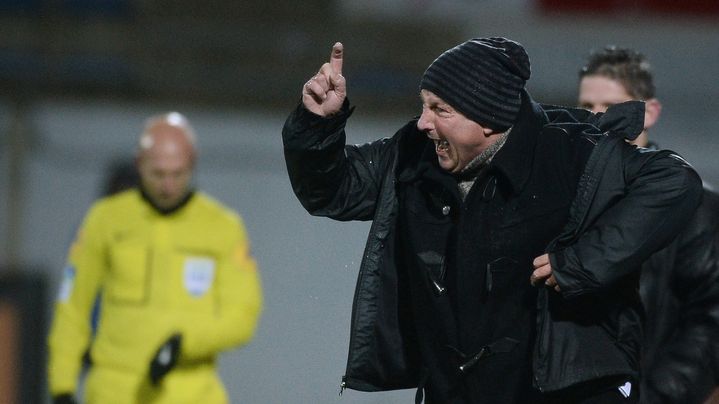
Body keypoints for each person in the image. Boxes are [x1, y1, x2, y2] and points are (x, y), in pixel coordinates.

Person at [282, 38, 703, 403]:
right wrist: (317, 125)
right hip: (456, 390)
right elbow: (332, 191)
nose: (423, 122)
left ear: (487, 119)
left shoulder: (570, 150)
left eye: (439, 109)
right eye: (423, 105)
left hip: (564, 392)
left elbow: (675, 180)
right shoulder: (413, 152)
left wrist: (584, 262)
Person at [48, 112, 263, 404]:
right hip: (114, 391)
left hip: (193, 392)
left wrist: (184, 343)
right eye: (158, 174)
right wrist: (62, 386)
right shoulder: (106, 219)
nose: (168, 186)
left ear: (193, 163)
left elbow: (243, 316)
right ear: (139, 164)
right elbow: (72, 307)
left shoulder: (223, 227)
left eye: (178, 174)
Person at [578, 46, 719, 404]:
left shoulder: (697, 206)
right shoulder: (567, 196)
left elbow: (711, 317)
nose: (595, 118)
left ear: (650, 111)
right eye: (586, 107)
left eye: (610, 106)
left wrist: (655, 395)